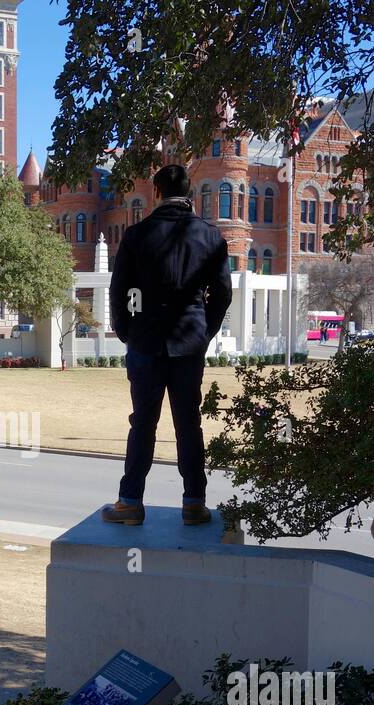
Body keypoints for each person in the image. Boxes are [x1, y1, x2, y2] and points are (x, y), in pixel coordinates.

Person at [103, 163, 232, 526]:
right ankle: (194, 502)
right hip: (189, 343)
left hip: (146, 340)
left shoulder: (137, 234)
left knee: (142, 424)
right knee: (188, 424)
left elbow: (118, 292)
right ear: (189, 193)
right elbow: (222, 293)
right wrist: (205, 332)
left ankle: (130, 502)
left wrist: (127, 330)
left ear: (156, 193)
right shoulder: (210, 236)